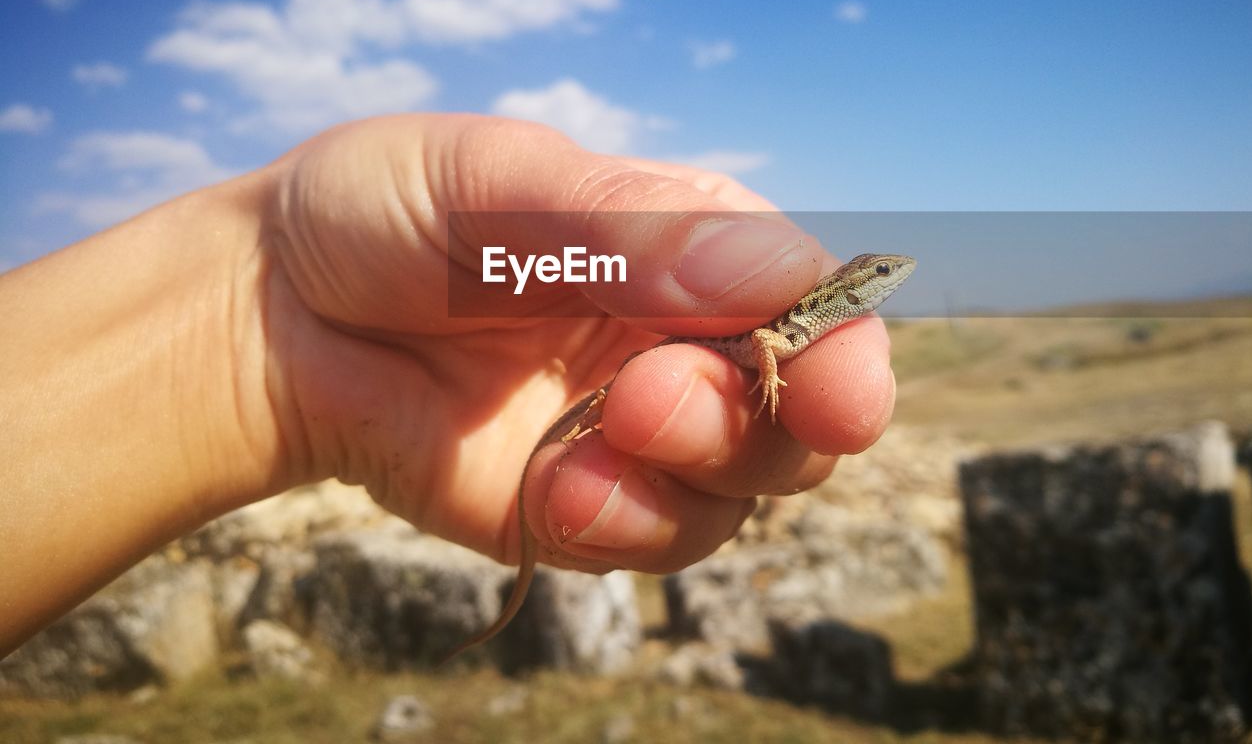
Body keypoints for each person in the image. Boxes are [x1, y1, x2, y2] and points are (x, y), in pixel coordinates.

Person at [0, 114, 898, 656]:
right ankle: (598, 424)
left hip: (672, 357)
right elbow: (768, 347)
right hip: (704, 346)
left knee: (658, 408)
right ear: (851, 287)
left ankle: (597, 427)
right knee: (656, 398)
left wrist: (263, 301)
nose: (886, 286)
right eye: (879, 279)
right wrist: (270, 273)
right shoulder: (803, 311)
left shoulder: (822, 316)